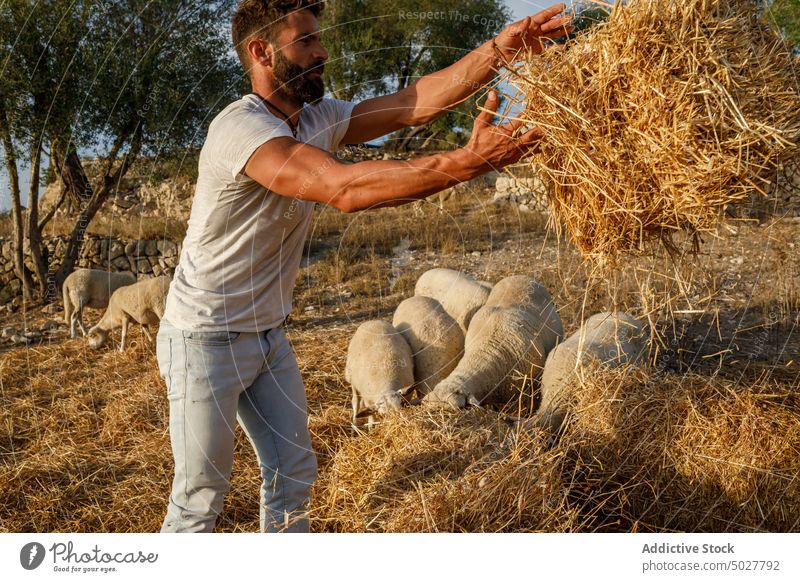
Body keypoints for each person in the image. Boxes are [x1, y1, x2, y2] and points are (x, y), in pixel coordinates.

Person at [156, 0, 572, 533]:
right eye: (305, 40)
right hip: (203, 338)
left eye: (319, 38)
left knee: (294, 471)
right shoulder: (242, 130)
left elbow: (412, 103)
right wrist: (467, 161)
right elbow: (344, 188)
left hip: (266, 335)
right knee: (199, 497)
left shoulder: (317, 118)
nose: (322, 50)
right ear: (261, 51)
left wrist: (501, 50)